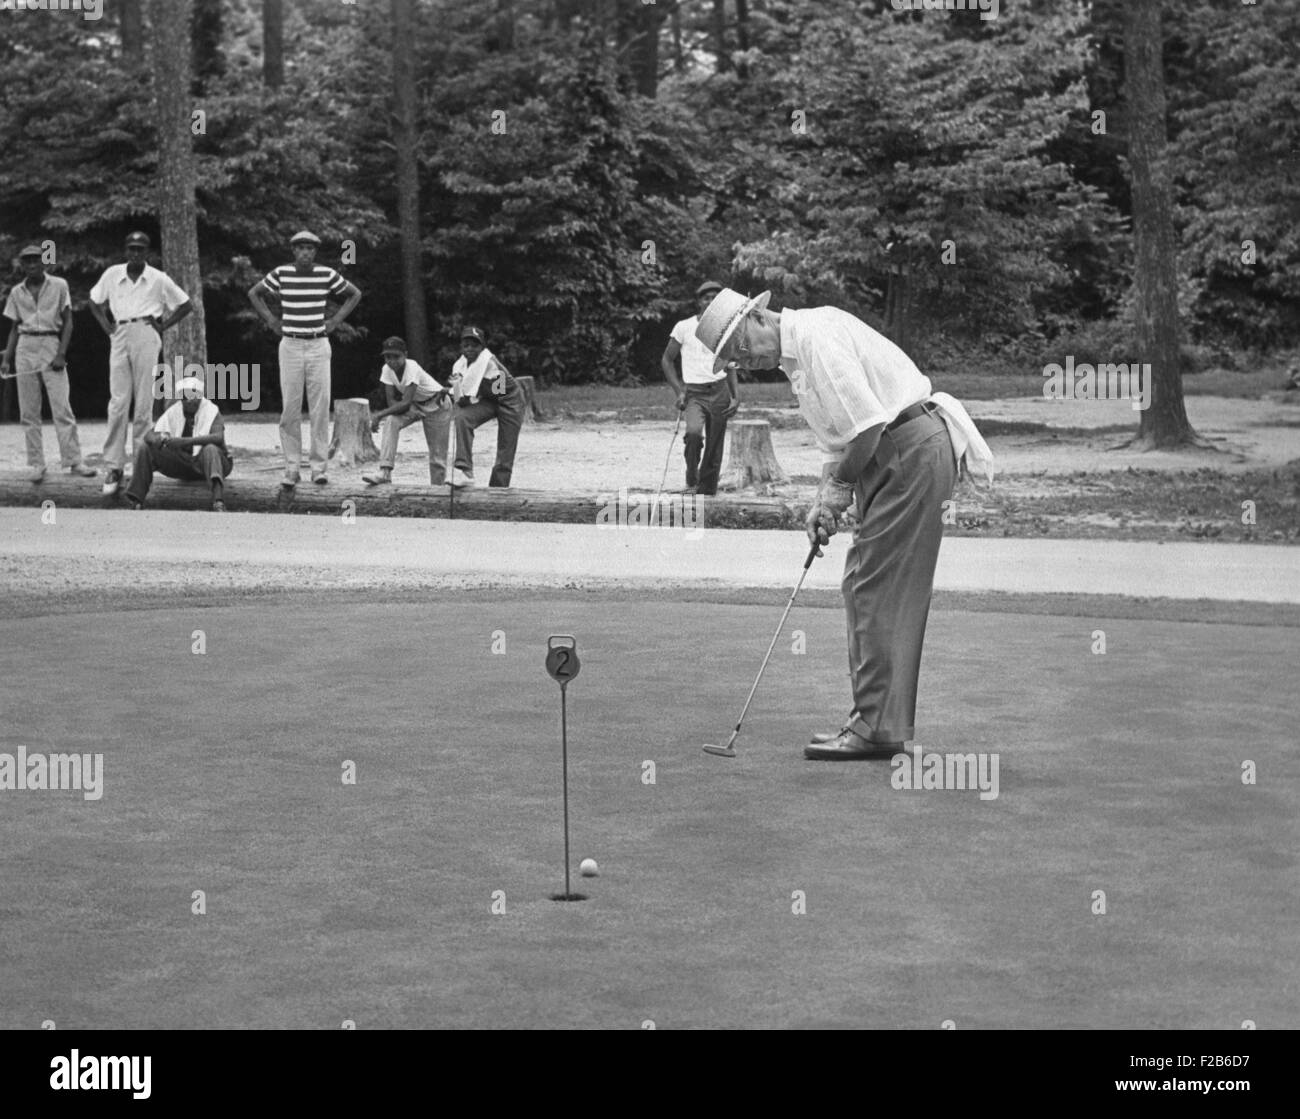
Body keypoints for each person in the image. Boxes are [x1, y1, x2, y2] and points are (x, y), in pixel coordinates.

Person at [697, 288, 993, 761]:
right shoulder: (798, 363)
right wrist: (823, 499)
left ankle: (876, 728)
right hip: (892, 455)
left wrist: (839, 489)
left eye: (742, 348)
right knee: (863, 582)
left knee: (876, 587)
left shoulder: (819, 337)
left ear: (757, 315)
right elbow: (840, 443)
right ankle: (877, 724)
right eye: (736, 361)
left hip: (908, 448)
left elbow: (868, 426)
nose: (746, 362)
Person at [247, 230, 362, 492]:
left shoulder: (326, 274)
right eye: (300, 248)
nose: (305, 253)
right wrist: (271, 320)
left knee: (320, 407)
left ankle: (319, 468)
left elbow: (354, 294)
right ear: (293, 251)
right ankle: (292, 466)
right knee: (290, 407)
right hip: (290, 343)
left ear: (315, 251)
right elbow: (255, 293)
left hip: (318, 342)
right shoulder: (282, 273)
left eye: (310, 248)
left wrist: (335, 320)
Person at [88, 231, 193, 497]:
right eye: (131, 248)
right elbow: (94, 300)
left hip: (147, 332)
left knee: (144, 404)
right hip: (120, 332)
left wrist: (163, 326)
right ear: (126, 250)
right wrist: (106, 326)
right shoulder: (113, 274)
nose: (135, 253)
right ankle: (114, 466)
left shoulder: (158, 278)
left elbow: (185, 304)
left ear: (147, 252)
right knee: (118, 402)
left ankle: (140, 466)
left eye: (140, 249)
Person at [1, 244, 97, 482]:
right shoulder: (16, 292)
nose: (32, 265)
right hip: (25, 345)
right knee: (29, 410)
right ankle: (36, 463)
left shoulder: (59, 285)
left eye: (36, 260)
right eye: (27, 261)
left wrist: (61, 353)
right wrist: (6, 359)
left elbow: (68, 322)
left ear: (43, 262)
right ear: (22, 265)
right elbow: (14, 328)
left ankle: (74, 461)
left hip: (51, 343)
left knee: (61, 407)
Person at [660, 279, 739, 495]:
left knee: (715, 443)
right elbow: (667, 360)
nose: (710, 301)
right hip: (694, 393)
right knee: (694, 434)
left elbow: (730, 364)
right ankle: (691, 472)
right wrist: (679, 391)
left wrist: (735, 396)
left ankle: (706, 489)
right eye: (706, 298)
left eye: (715, 298)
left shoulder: (726, 328)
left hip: (720, 390)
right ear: (699, 301)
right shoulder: (684, 327)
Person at [123, 376, 232, 512]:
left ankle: (218, 501)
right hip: (183, 463)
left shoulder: (211, 410)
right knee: (146, 448)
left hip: (209, 463)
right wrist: (161, 438)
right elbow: (148, 435)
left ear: (200, 396)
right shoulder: (175, 411)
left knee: (210, 449)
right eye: (185, 397)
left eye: (193, 396)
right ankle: (136, 499)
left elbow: (218, 438)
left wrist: (183, 442)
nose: (189, 401)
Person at [362, 336, 453, 486]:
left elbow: (404, 402)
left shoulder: (412, 367)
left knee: (437, 457)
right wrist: (407, 410)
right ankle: (385, 471)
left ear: (405, 354)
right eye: (387, 357)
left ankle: (437, 491)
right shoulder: (386, 369)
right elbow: (392, 401)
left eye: (396, 356)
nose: (392, 361)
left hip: (437, 404)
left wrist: (379, 415)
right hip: (415, 404)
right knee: (391, 421)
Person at [449, 326, 525, 488]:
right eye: (466, 345)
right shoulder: (459, 366)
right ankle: (465, 471)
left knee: (505, 447)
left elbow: (500, 390)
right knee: (462, 417)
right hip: (489, 399)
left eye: (474, 345)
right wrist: (457, 389)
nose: (470, 349)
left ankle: (498, 488)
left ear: (482, 347)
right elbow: (460, 400)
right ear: (461, 347)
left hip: (510, 400)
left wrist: (469, 393)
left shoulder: (488, 362)